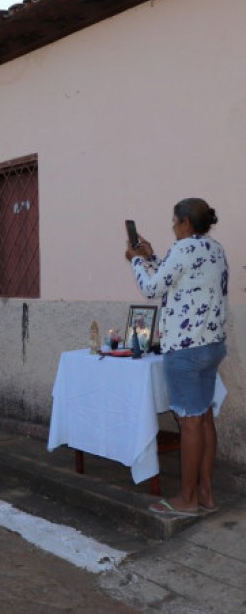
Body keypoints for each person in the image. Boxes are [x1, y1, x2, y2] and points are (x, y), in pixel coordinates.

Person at [127, 198, 228, 517]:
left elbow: (152, 289)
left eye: (174, 221)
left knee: (189, 423)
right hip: (211, 346)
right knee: (204, 417)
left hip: (185, 349)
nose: (172, 226)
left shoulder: (183, 248)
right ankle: (206, 494)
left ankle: (186, 498)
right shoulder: (215, 249)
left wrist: (135, 261)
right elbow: (177, 281)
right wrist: (152, 257)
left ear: (186, 222)